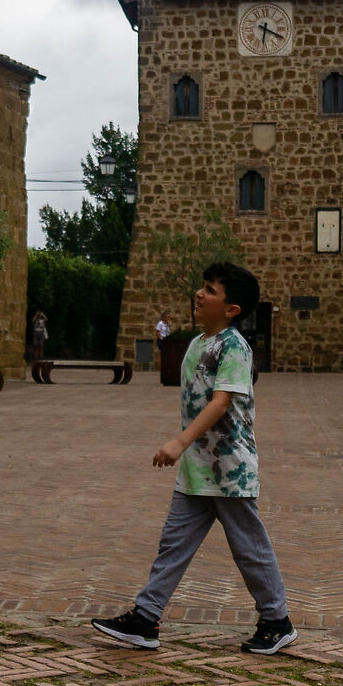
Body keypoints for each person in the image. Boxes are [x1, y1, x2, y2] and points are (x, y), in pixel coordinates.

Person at [93, 261, 295, 657]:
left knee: (250, 549)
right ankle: (146, 619)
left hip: (229, 470)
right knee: (174, 544)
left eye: (210, 290)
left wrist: (179, 442)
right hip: (198, 471)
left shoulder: (234, 347)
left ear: (232, 309)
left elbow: (221, 403)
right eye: (202, 288)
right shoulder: (199, 342)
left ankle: (277, 621)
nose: (199, 295)